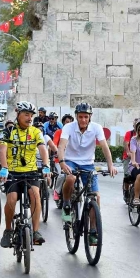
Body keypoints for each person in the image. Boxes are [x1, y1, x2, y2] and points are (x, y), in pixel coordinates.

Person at [58, 103, 118, 246]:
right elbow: (61, 146)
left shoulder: (96, 128)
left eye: (86, 117)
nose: (83, 120)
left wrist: (110, 164)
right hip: (71, 161)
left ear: (90, 117)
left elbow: (104, 146)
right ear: (76, 117)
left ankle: (92, 231)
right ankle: (66, 204)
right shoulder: (68, 127)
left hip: (88, 164)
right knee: (71, 178)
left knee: (95, 196)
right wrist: (62, 162)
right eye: (80, 117)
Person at [0, 102, 50, 247]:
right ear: (18, 114)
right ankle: (8, 230)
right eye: (26, 114)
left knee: (35, 195)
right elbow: (2, 150)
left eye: (31, 115)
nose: (29, 118)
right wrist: (4, 167)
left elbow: (42, 148)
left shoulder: (35, 132)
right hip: (12, 173)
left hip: (31, 172)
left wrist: (46, 165)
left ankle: (35, 232)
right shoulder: (8, 131)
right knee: (12, 198)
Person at [52, 114, 73, 203]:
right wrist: (58, 154)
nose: (69, 124)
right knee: (62, 174)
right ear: (63, 123)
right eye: (67, 122)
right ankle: (56, 191)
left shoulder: (74, 132)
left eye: (70, 122)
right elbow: (55, 144)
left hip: (71, 159)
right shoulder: (59, 132)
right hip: (59, 159)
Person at [122, 118, 139, 200]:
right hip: (128, 157)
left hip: (138, 157)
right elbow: (126, 144)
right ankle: (126, 190)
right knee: (127, 175)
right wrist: (128, 152)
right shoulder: (129, 133)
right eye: (136, 125)